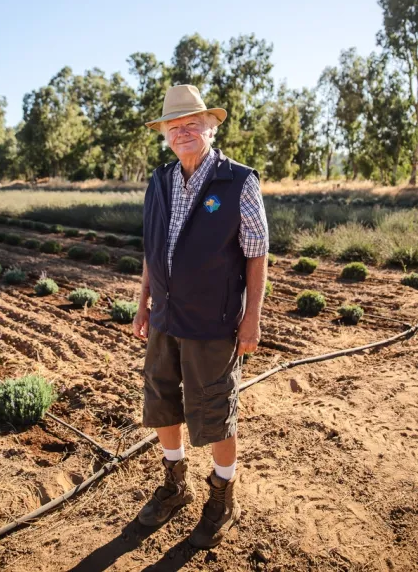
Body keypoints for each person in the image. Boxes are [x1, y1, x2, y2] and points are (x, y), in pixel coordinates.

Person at [132, 84, 269, 549]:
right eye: (175, 126)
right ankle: (175, 484)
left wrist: (251, 319)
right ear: (166, 135)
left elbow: (257, 253)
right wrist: (143, 302)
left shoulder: (238, 181)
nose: (184, 132)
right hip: (165, 318)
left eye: (193, 123)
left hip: (214, 321)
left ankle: (221, 495)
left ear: (211, 126)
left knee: (216, 412)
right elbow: (152, 250)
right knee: (161, 402)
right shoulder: (159, 181)